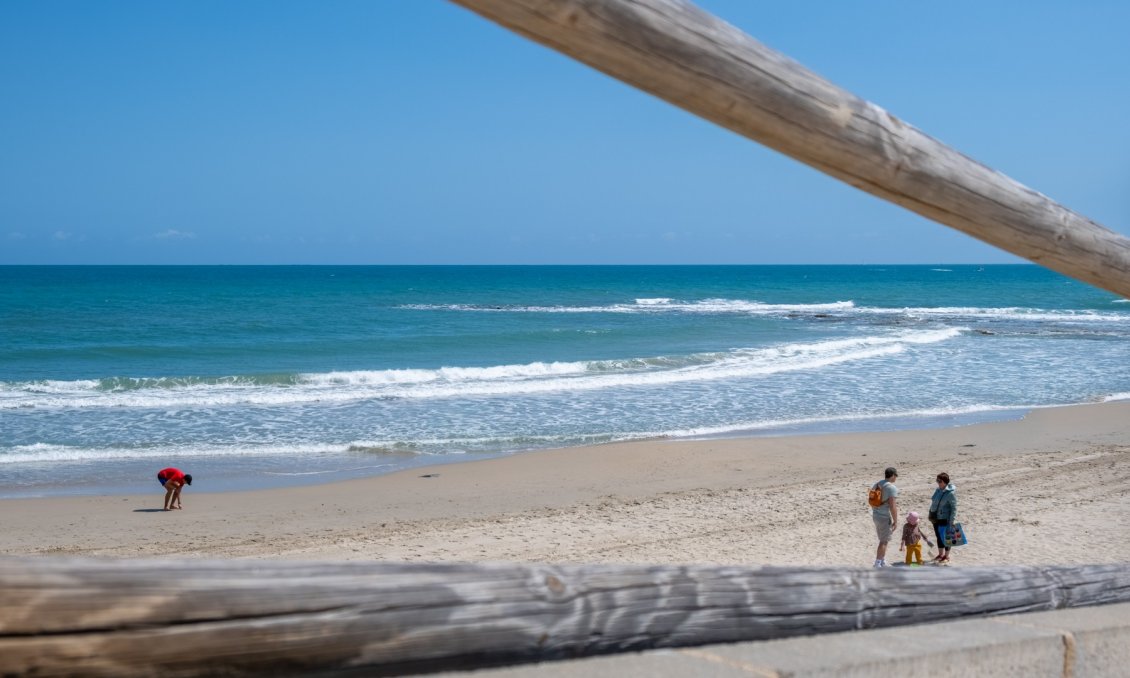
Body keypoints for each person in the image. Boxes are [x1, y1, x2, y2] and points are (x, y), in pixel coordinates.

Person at [870, 467, 899, 568]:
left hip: (875, 515)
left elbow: (871, 500)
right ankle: (877, 563)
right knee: (884, 541)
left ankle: (882, 561)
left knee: (883, 539)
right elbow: (892, 506)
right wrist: (895, 521)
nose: (896, 478)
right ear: (893, 475)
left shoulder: (877, 484)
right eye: (896, 476)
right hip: (884, 517)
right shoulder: (891, 488)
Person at [929, 472, 958, 563]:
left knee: (946, 538)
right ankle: (940, 554)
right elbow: (933, 500)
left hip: (944, 518)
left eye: (940, 481)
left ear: (945, 482)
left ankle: (947, 556)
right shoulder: (938, 490)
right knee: (938, 536)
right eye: (937, 480)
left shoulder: (951, 494)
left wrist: (952, 520)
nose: (938, 482)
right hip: (935, 517)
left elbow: (954, 508)